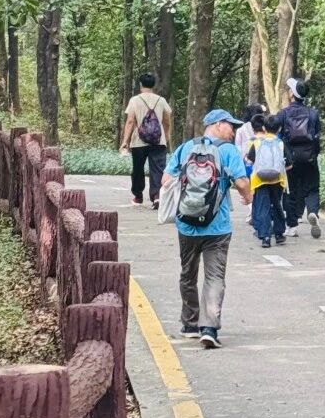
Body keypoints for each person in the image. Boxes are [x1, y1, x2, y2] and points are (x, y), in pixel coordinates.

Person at [162, 110, 250, 349]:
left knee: (188, 274)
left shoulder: (185, 148)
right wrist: (248, 196)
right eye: (231, 126)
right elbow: (242, 182)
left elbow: (166, 180)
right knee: (215, 276)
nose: (233, 131)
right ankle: (209, 328)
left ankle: (190, 324)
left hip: (186, 224)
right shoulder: (228, 150)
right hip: (217, 226)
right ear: (218, 124)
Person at [268, 76, 322, 238]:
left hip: (290, 158)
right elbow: (317, 136)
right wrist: (315, 153)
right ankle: (312, 212)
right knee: (312, 188)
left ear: (292, 94)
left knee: (290, 191)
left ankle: (292, 226)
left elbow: (276, 134)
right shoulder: (313, 113)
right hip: (309, 157)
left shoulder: (283, 114)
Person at [120, 73, 171, 209]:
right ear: (153, 85)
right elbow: (167, 121)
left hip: (139, 141)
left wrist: (125, 141)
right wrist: (166, 137)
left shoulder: (135, 100)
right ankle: (157, 196)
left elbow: (130, 121)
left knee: (138, 169)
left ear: (140, 85)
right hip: (158, 141)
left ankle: (138, 196)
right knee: (158, 169)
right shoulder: (161, 100)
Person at [246, 110, 289, 249]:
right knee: (277, 205)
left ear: (264, 128)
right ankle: (279, 234)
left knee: (263, 207)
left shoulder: (257, 143)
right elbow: (289, 164)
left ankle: (265, 237)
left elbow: (249, 160)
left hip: (259, 180)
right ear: (279, 129)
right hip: (277, 180)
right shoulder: (281, 143)